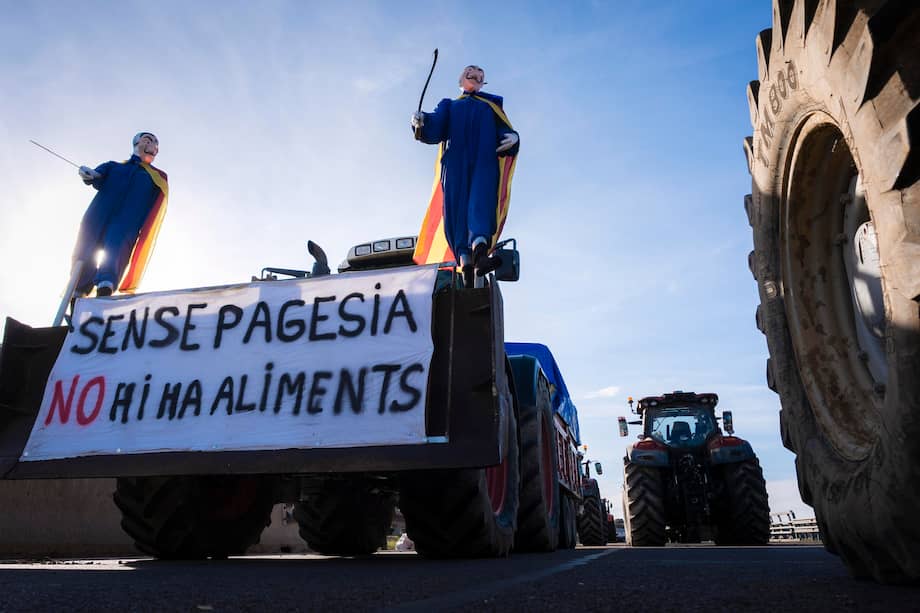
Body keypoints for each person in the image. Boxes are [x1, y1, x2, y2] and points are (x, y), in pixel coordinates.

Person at [411, 65, 520, 287]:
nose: (477, 76)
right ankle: (465, 260)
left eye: (481, 76)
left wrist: (513, 138)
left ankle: (480, 252)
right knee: (457, 208)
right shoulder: (449, 106)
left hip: (483, 159)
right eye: (472, 73)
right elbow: (435, 127)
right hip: (455, 163)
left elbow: (503, 131)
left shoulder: (491, 108)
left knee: (481, 201)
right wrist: (422, 121)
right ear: (461, 79)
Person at [71, 132, 168, 297]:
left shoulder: (155, 177)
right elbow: (97, 176)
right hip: (98, 213)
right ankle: (78, 291)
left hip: (126, 220)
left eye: (156, 145)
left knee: (116, 247)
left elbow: (156, 206)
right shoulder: (114, 166)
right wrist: (89, 174)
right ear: (137, 143)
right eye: (148, 140)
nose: (153, 146)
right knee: (85, 248)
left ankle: (105, 287)